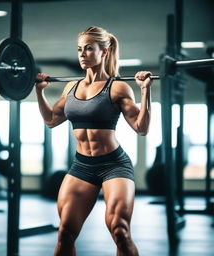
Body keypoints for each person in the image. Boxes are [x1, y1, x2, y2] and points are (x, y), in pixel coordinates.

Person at [35, 26, 152, 256]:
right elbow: (51, 120)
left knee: (120, 231)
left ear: (105, 52)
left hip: (114, 165)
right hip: (82, 167)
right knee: (65, 233)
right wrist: (39, 92)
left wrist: (146, 91)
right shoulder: (71, 87)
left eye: (89, 48)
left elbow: (141, 127)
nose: (82, 54)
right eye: (79, 49)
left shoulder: (117, 87)